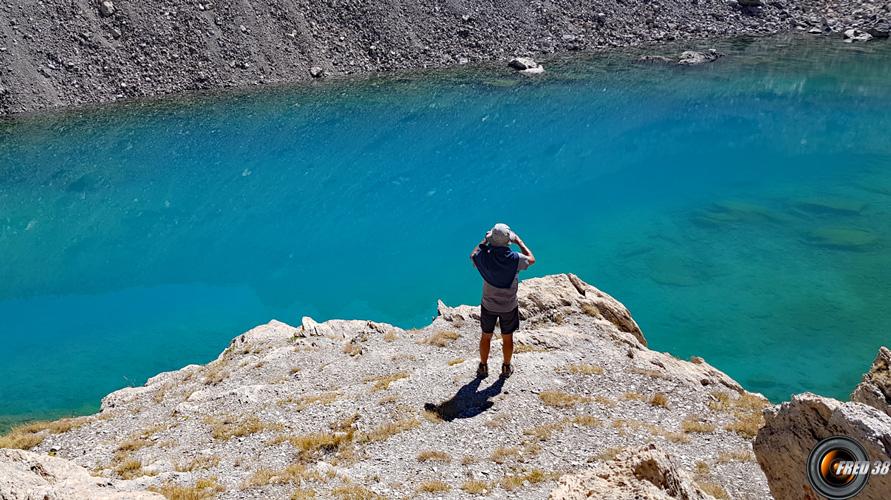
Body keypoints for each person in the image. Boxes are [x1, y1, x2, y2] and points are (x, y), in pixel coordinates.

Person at [470, 223, 536, 379]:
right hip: (509, 306)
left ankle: (483, 366)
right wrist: (519, 242)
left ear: (491, 239)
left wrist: (484, 241)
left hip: (488, 305)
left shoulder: (484, 257)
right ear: (509, 240)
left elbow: (473, 255)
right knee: (508, 337)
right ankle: (506, 367)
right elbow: (532, 259)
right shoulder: (515, 259)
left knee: (486, 336)